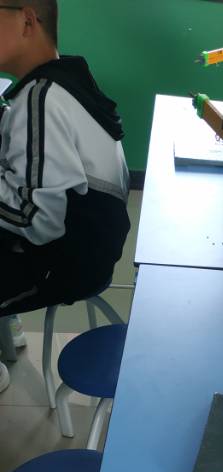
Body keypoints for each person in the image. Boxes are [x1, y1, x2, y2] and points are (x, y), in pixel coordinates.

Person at [0, 1, 130, 327]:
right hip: (92, 246)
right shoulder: (63, 79)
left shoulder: (40, 98)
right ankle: (11, 330)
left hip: (66, 264)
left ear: (27, 21)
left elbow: (38, 219)